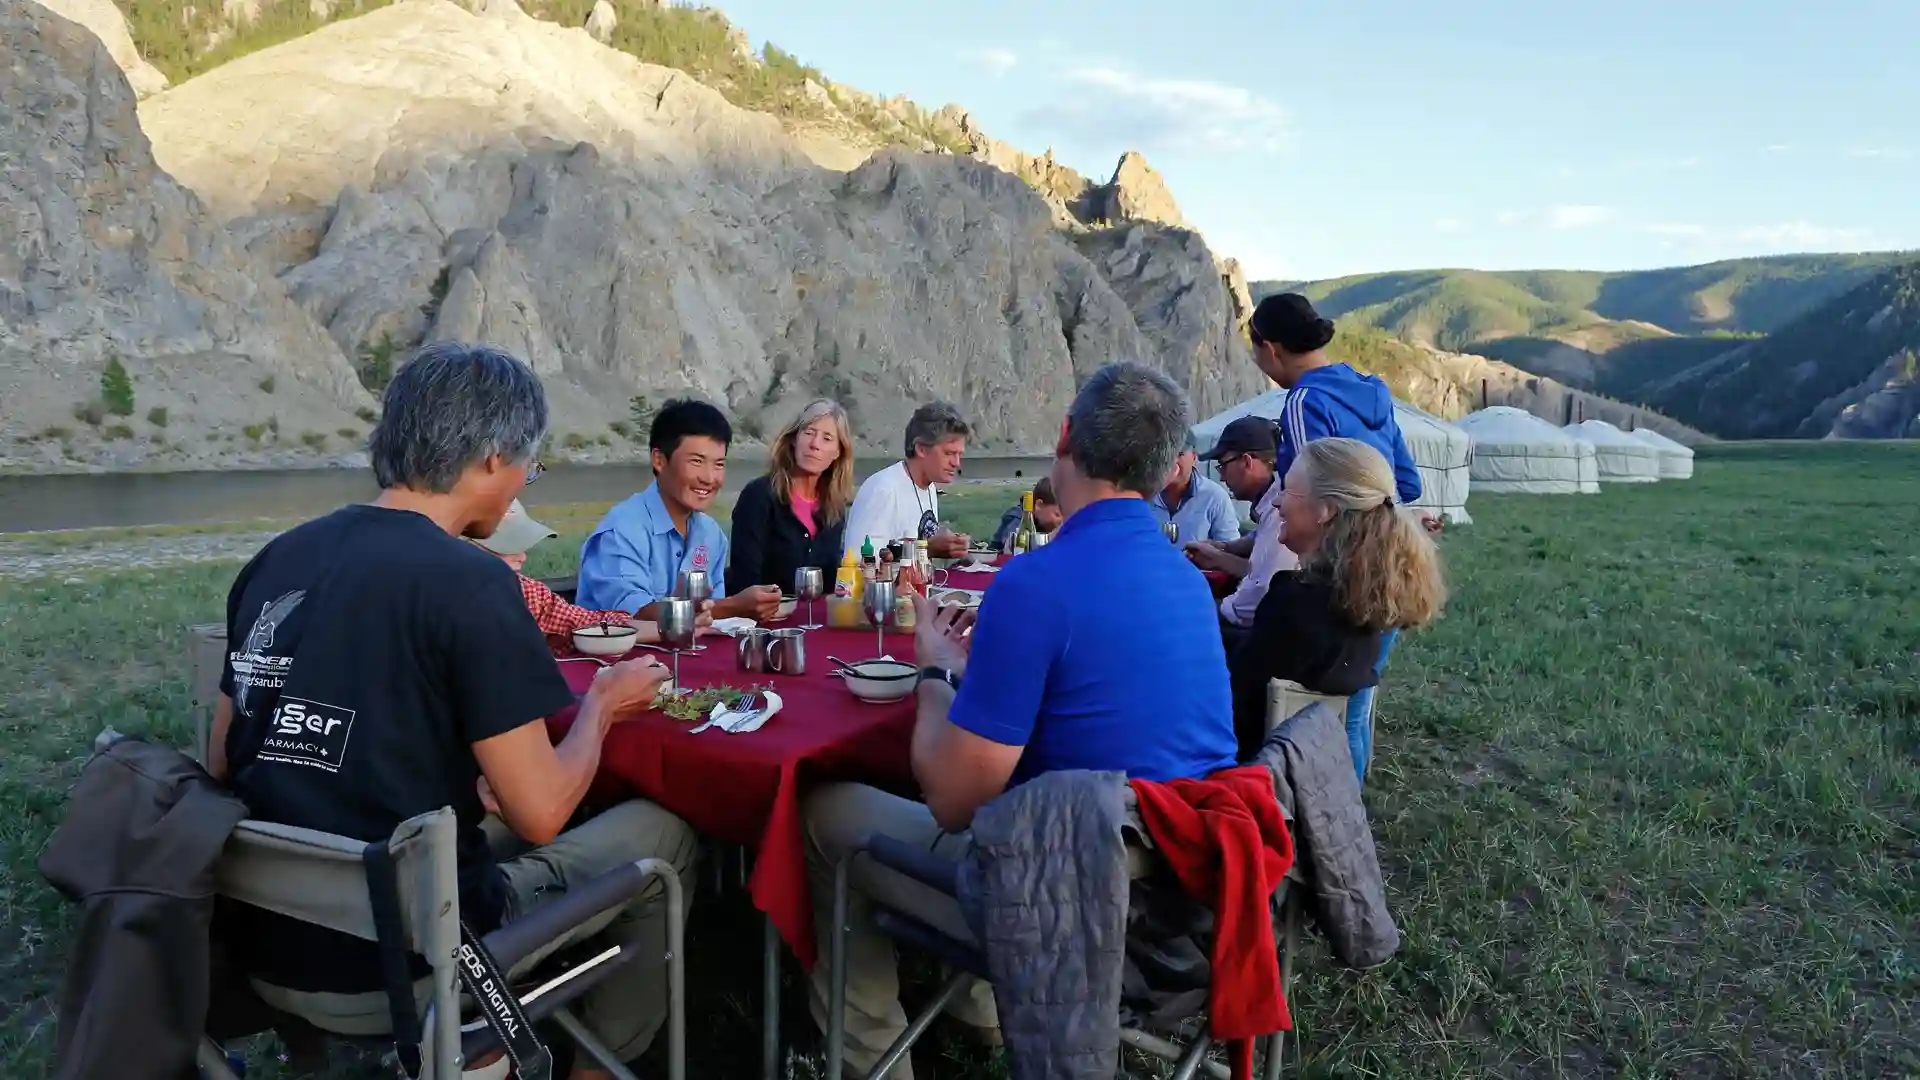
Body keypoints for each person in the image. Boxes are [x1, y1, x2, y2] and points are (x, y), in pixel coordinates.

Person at [209, 343, 696, 1080]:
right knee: (665, 831)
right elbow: (540, 815)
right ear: (496, 458)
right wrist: (602, 704)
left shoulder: (277, 560)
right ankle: (598, 1067)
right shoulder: (469, 583)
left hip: (260, 942)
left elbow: (223, 761)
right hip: (408, 964)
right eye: (529, 468)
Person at [802, 363, 1239, 1080]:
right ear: (1166, 469)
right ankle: (980, 1012)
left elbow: (950, 801)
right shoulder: (1188, 581)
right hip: (1186, 885)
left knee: (824, 810)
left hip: (1076, 902)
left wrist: (937, 670)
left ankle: (870, 1053)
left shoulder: (1033, 584)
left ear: (1065, 435)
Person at [1229, 438, 1447, 776]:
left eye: (1287, 492)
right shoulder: (1362, 602)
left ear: (1325, 509)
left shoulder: (1296, 604)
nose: (1277, 504)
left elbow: (1239, 703)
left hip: (1256, 776)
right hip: (1316, 775)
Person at [577, 399, 783, 621]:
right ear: (659, 460)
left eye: (719, 464)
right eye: (696, 461)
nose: (709, 478)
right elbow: (632, 617)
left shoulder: (711, 535)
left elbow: (713, 617)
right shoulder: (621, 531)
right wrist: (734, 606)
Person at [474, 499, 709, 652]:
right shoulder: (444, 606)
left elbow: (590, 624)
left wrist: (674, 627)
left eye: (523, 545)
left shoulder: (527, 593)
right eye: (506, 547)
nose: (522, 557)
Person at [1185, 416, 1299, 636]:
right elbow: (1259, 552)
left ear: (1247, 461)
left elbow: (1256, 597)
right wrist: (1224, 549)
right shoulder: (1271, 502)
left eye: (1223, 465)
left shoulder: (1280, 511)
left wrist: (1209, 608)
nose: (1221, 476)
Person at [728, 399, 854, 592]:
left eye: (827, 438)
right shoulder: (758, 496)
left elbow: (830, 584)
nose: (814, 444)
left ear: (838, 452)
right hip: (761, 619)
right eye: (809, 433)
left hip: (814, 620)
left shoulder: (834, 508)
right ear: (794, 439)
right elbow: (744, 581)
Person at [842, 402, 972, 559]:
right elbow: (857, 562)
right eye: (949, 453)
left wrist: (950, 543)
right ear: (921, 449)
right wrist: (926, 550)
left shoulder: (929, 486)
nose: (956, 463)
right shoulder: (883, 490)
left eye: (959, 454)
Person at [1149, 432, 1242, 543]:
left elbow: (1229, 547)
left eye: (1179, 454)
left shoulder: (1214, 497)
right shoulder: (1142, 493)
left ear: (1194, 457)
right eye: (1165, 454)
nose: (1172, 462)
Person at [987, 476, 1063, 552]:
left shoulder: (1045, 523)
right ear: (1039, 505)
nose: (1062, 520)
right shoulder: (1018, 518)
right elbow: (1013, 546)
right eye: (1057, 515)